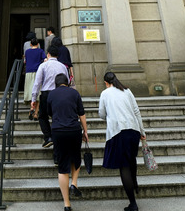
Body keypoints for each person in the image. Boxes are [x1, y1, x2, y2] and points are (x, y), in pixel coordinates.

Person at [99, 72, 146, 211]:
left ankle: (133, 203)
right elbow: (136, 111)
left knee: (124, 165)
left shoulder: (105, 93)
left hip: (118, 131)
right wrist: (142, 132)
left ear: (106, 82)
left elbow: (101, 114)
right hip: (134, 130)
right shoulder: (127, 90)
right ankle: (135, 183)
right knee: (131, 159)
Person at [47, 73, 88, 211]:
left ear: (56, 83)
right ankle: (74, 184)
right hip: (74, 130)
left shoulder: (51, 95)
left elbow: (49, 113)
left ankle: (67, 204)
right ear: (67, 82)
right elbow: (81, 113)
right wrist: (85, 131)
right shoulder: (74, 93)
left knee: (62, 167)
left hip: (58, 131)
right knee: (76, 159)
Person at [30, 46, 68, 148]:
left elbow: (37, 83)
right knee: (57, 117)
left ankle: (48, 137)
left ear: (48, 54)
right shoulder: (63, 66)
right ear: (57, 55)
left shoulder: (43, 66)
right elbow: (67, 81)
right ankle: (57, 139)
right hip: (60, 93)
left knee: (42, 116)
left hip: (46, 94)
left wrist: (33, 99)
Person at [23, 38, 46, 104]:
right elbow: (45, 59)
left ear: (30, 44)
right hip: (37, 71)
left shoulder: (27, 52)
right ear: (38, 44)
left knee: (29, 87)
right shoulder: (40, 51)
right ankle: (36, 106)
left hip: (28, 71)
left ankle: (29, 102)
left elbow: (25, 61)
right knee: (37, 89)